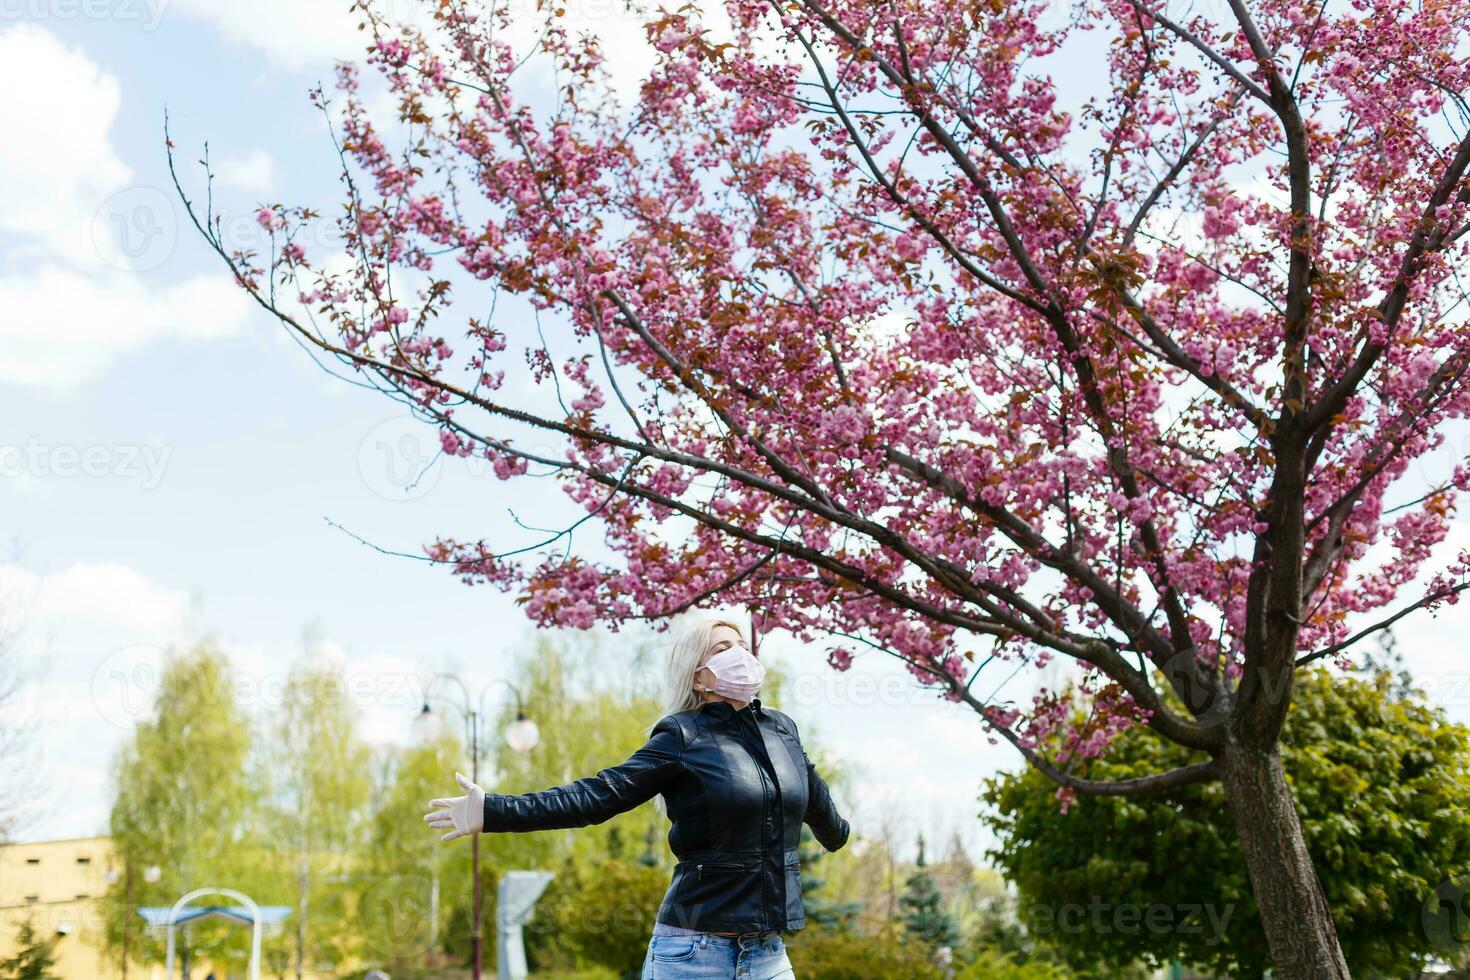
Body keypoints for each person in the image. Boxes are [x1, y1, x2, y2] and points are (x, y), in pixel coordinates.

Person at [424, 616, 851, 979]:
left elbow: (817, 807)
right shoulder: (682, 735)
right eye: (723, 647)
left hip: (767, 955)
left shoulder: (781, 730)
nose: (740, 653)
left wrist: (837, 832)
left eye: (742, 645)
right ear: (698, 677)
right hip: (693, 954)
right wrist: (494, 809)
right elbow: (596, 796)